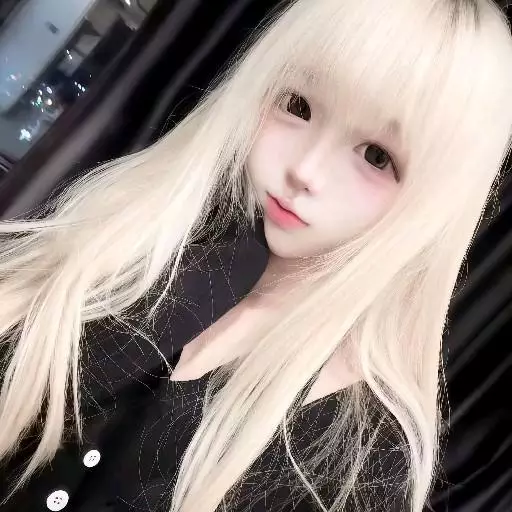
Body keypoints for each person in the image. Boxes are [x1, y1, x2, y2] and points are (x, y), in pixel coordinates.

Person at [1, 0, 512, 510]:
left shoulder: (361, 462)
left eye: (377, 157)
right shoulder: (146, 245)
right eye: (298, 106)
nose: (305, 170)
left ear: (432, 201)